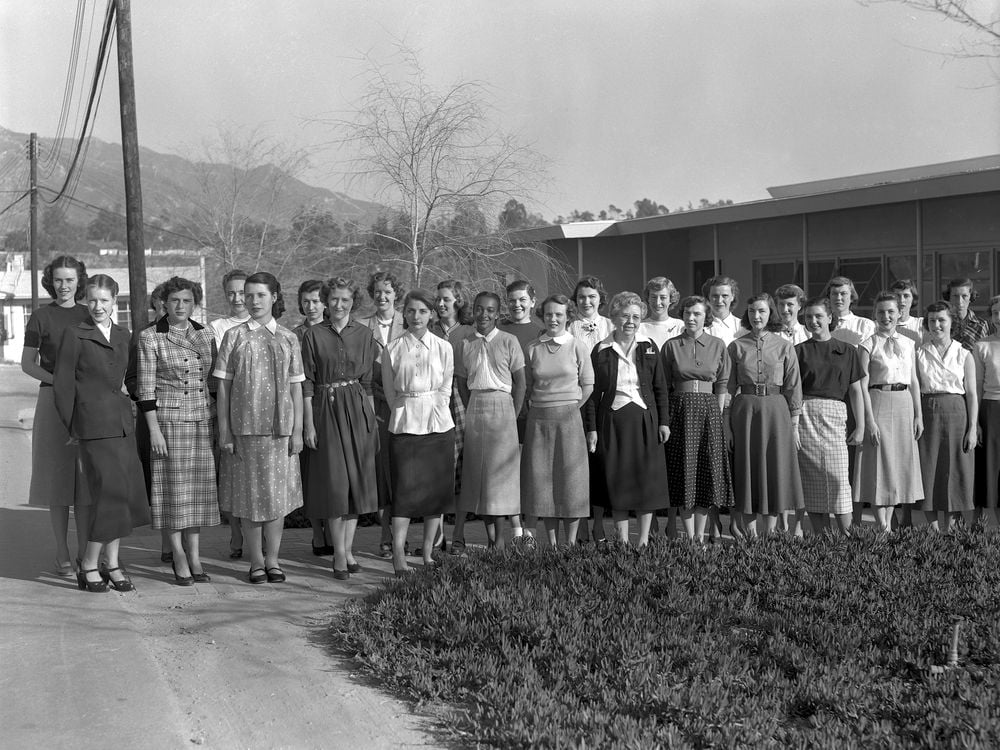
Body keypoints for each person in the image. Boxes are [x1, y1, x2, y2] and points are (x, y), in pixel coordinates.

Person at [54, 274, 149, 592]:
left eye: (104, 300)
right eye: (92, 300)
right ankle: (90, 563)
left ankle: (113, 563)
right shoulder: (75, 334)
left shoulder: (124, 334)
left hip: (122, 425)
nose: (97, 306)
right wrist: (72, 425)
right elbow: (63, 384)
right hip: (92, 427)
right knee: (109, 494)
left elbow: (132, 376)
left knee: (123, 495)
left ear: (114, 301)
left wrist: (135, 397)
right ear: (86, 301)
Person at [214, 272, 304, 584]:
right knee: (250, 499)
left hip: (280, 431)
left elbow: (297, 389)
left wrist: (299, 431)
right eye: (248, 295)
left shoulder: (289, 338)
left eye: (260, 295)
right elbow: (223, 388)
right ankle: (255, 561)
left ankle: (274, 559)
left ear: (275, 297)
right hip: (245, 430)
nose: (252, 301)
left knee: (277, 498)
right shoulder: (234, 336)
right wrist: (225, 431)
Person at [137, 276, 220, 585]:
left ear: (194, 303)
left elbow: (213, 382)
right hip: (168, 423)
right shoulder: (151, 337)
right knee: (172, 492)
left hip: (201, 420)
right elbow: (145, 390)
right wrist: (154, 430)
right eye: (174, 301)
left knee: (196, 493)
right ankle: (178, 554)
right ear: (164, 303)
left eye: (186, 301)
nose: (180, 306)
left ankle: (195, 555)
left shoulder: (205, 333)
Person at [302, 278, 379, 580]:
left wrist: (370, 419)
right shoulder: (312, 335)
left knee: (356, 485)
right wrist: (308, 423)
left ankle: (347, 550)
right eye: (333, 299)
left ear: (353, 302)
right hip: (325, 407)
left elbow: (369, 382)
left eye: (345, 300)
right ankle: (337, 555)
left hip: (357, 407)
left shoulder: (365, 334)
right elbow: (306, 382)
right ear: (325, 300)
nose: (339, 305)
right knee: (335, 485)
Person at [22, 255, 92, 577]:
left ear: (80, 281)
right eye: (59, 280)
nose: (64, 286)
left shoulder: (90, 313)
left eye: (70, 280)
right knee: (57, 480)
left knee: (87, 479)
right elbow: (28, 364)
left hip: (87, 402)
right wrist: (60, 382)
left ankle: (85, 551)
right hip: (52, 402)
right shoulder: (39, 316)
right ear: (51, 281)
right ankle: (62, 551)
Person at [585, 291, 670, 546]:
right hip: (612, 420)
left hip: (645, 419)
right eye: (624, 316)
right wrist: (592, 429)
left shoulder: (649, 346)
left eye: (635, 316)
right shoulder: (601, 350)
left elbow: (660, 388)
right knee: (617, 480)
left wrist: (664, 421)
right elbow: (591, 393)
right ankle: (621, 541)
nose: (630, 321)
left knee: (646, 480)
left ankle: (643, 541)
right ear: (613, 317)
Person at [382, 290, 456, 575]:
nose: (416, 317)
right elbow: (390, 391)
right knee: (404, 491)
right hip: (405, 423)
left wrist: (434, 409)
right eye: (411, 311)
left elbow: (446, 386)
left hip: (438, 425)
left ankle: (427, 552)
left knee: (434, 493)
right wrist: (407, 410)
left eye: (422, 311)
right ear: (405, 313)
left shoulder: (443, 347)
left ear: (431, 314)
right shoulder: (392, 348)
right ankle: (398, 554)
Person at [726, 293, 804, 537]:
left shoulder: (784, 347)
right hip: (745, 412)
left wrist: (794, 424)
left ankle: (770, 534)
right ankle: (750, 535)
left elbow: (793, 386)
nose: (756, 316)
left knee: (774, 469)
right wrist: (726, 426)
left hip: (776, 412)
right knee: (747, 468)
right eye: (751, 311)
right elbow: (727, 389)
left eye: (761, 311)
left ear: (771, 313)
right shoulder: (736, 346)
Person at [454, 292, 526, 551]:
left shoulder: (509, 341)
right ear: (473, 311)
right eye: (479, 309)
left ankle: (500, 540)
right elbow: (462, 381)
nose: (484, 314)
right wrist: (471, 404)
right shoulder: (466, 343)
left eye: (490, 310)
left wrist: (512, 415)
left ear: (497, 313)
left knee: (500, 478)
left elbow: (521, 383)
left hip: (503, 408)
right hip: (476, 406)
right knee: (478, 475)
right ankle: (489, 536)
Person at [521, 295, 594, 547]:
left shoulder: (577, 346)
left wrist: (572, 408)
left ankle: (571, 544)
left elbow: (588, 384)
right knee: (543, 483)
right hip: (539, 421)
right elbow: (528, 387)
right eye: (549, 314)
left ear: (568, 316)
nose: (553, 318)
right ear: (543, 315)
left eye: (559, 314)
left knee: (571, 483)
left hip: (569, 421)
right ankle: (552, 545)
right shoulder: (532, 347)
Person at [660, 295, 732, 543]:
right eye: (688, 313)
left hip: (709, 410)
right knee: (684, 473)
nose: (691, 318)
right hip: (680, 410)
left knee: (704, 472)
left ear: (706, 317)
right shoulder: (671, 345)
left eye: (697, 314)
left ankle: (700, 537)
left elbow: (722, 382)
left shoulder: (717, 344)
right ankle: (689, 537)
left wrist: (718, 414)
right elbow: (664, 383)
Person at [854, 291, 924, 532]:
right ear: (875, 314)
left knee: (896, 464)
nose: (886, 316)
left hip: (904, 402)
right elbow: (862, 384)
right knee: (878, 464)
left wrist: (918, 415)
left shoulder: (909, 343)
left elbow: (914, 381)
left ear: (899, 313)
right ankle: (883, 526)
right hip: (878, 402)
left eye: (891, 311)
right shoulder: (867, 345)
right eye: (881, 312)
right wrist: (869, 421)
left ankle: (887, 525)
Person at [795, 297, 865, 535]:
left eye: (818, 316)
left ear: (829, 318)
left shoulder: (847, 351)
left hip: (835, 415)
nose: (813, 321)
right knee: (812, 480)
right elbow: (792, 391)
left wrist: (861, 425)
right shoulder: (798, 351)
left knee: (838, 479)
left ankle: (848, 538)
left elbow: (856, 391)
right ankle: (821, 540)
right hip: (805, 415)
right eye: (808, 317)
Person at [915, 301, 978, 531]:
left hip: (957, 415)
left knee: (954, 470)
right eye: (932, 320)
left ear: (951, 322)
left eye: (941, 319)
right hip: (928, 413)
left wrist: (972, 428)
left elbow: (971, 394)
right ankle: (932, 532)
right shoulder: (919, 353)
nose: (937, 324)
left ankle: (949, 530)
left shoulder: (964, 354)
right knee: (928, 469)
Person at [125, 282, 174, 564]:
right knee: (157, 481)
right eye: (161, 303)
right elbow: (131, 377)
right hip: (150, 416)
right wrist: (145, 397)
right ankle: (167, 544)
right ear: (155, 305)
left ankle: (177, 545)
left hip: (184, 415)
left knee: (180, 481)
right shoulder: (143, 335)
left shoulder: (194, 332)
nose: (166, 308)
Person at [358, 271, 406, 558]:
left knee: (405, 472)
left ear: (396, 294)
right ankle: (385, 535)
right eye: (377, 291)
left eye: (387, 291)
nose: (382, 296)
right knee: (382, 472)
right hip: (376, 405)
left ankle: (407, 537)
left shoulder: (409, 321)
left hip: (404, 404)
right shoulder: (363, 326)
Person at [430, 279, 475, 552]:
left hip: (460, 402)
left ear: (458, 301)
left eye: (447, 298)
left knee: (460, 471)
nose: (441, 303)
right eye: (438, 299)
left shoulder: (468, 332)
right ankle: (436, 536)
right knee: (435, 473)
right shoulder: (429, 330)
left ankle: (458, 533)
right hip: (433, 403)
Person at [209, 268, 251, 559]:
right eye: (231, 293)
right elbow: (217, 375)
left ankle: (256, 536)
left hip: (261, 411)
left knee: (257, 476)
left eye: (242, 292)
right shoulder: (217, 327)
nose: (237, 298)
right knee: (234, 477)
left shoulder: (265, 324)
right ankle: (236, 533)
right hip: (230, 407)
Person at [568, 276, 613, 543]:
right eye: (582, 297)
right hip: (577, 399)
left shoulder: (609, 325)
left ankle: (598, 525)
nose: (587, 302)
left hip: (603, 400)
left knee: (598, 464)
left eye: (592, 297)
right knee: (578, 464)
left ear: (600, 299)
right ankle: (581, 526)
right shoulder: (570, 327)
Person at [292, 279, 334, 556]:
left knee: (332, 474)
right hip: (302, 409)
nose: (311, 306)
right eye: (306, 301)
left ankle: (334, 531)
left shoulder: (333, 331)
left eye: (316, 301)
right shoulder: (293, 334)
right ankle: (318, 532)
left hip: (331, 406)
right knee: (310, 476)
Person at [497, 279, 541, 543]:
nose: (517, 304)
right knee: (508, 473)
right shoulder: (499, 330)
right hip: (504, 413)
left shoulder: (541, 331)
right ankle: (515, 528)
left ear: (532, 302)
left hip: (533, 412)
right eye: (512, 300)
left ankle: (531, 530)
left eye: (522, 299)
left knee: (532, 474)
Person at [973, 295, 1000, 528]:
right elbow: (977, 385)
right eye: (995, 313)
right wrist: (977, 423)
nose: (999, 318)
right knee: (991, 469)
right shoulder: (982, 345)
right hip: (992, 410)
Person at [824, 276, 875, 348]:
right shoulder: (821, 324)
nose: (838, 298)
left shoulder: (865, 325)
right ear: (829, 297)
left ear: (851, 297)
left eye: (843, 293)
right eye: (834, 294)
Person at [944, 277, 990, 350]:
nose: (959, 301)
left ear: (971, 297)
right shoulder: (941, 323)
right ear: (949, 297)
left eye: (964, 296)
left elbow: (985, 354)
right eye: (955, 296)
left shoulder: (981, 325)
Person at [638, 276, 684, 350]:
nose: (658, 302)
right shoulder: (639, 327)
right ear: (648, 299)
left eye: (663, 297)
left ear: (671, 299)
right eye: (653, 297)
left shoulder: (680, 326)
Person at [701, 275, 745, 345]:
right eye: (715, 296)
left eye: (725, 296)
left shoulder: (743, 327)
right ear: (708, 297)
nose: (719, 301)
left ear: (732, 297)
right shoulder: (700, 326)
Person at [890, 279, 923, 345]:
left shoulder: (921, 324)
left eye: (906, 296)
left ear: (913, 298)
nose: (902, 300)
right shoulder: (880, 325)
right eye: (898, 296)